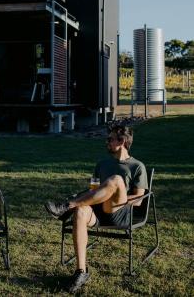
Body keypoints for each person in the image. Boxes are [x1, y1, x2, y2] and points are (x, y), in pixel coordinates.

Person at [44, 124, 148, 293]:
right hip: (98, 211)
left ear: (121, 141)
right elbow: (94, 192)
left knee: (116, 180)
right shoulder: (102, 164)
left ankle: (67, 206)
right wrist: (92, 197)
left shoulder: (137, 166)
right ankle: (81, 271)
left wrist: (112, 195)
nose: (106, 142)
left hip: (119, 211)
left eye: (110, 139)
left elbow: (138, 199)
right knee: (81, 211)